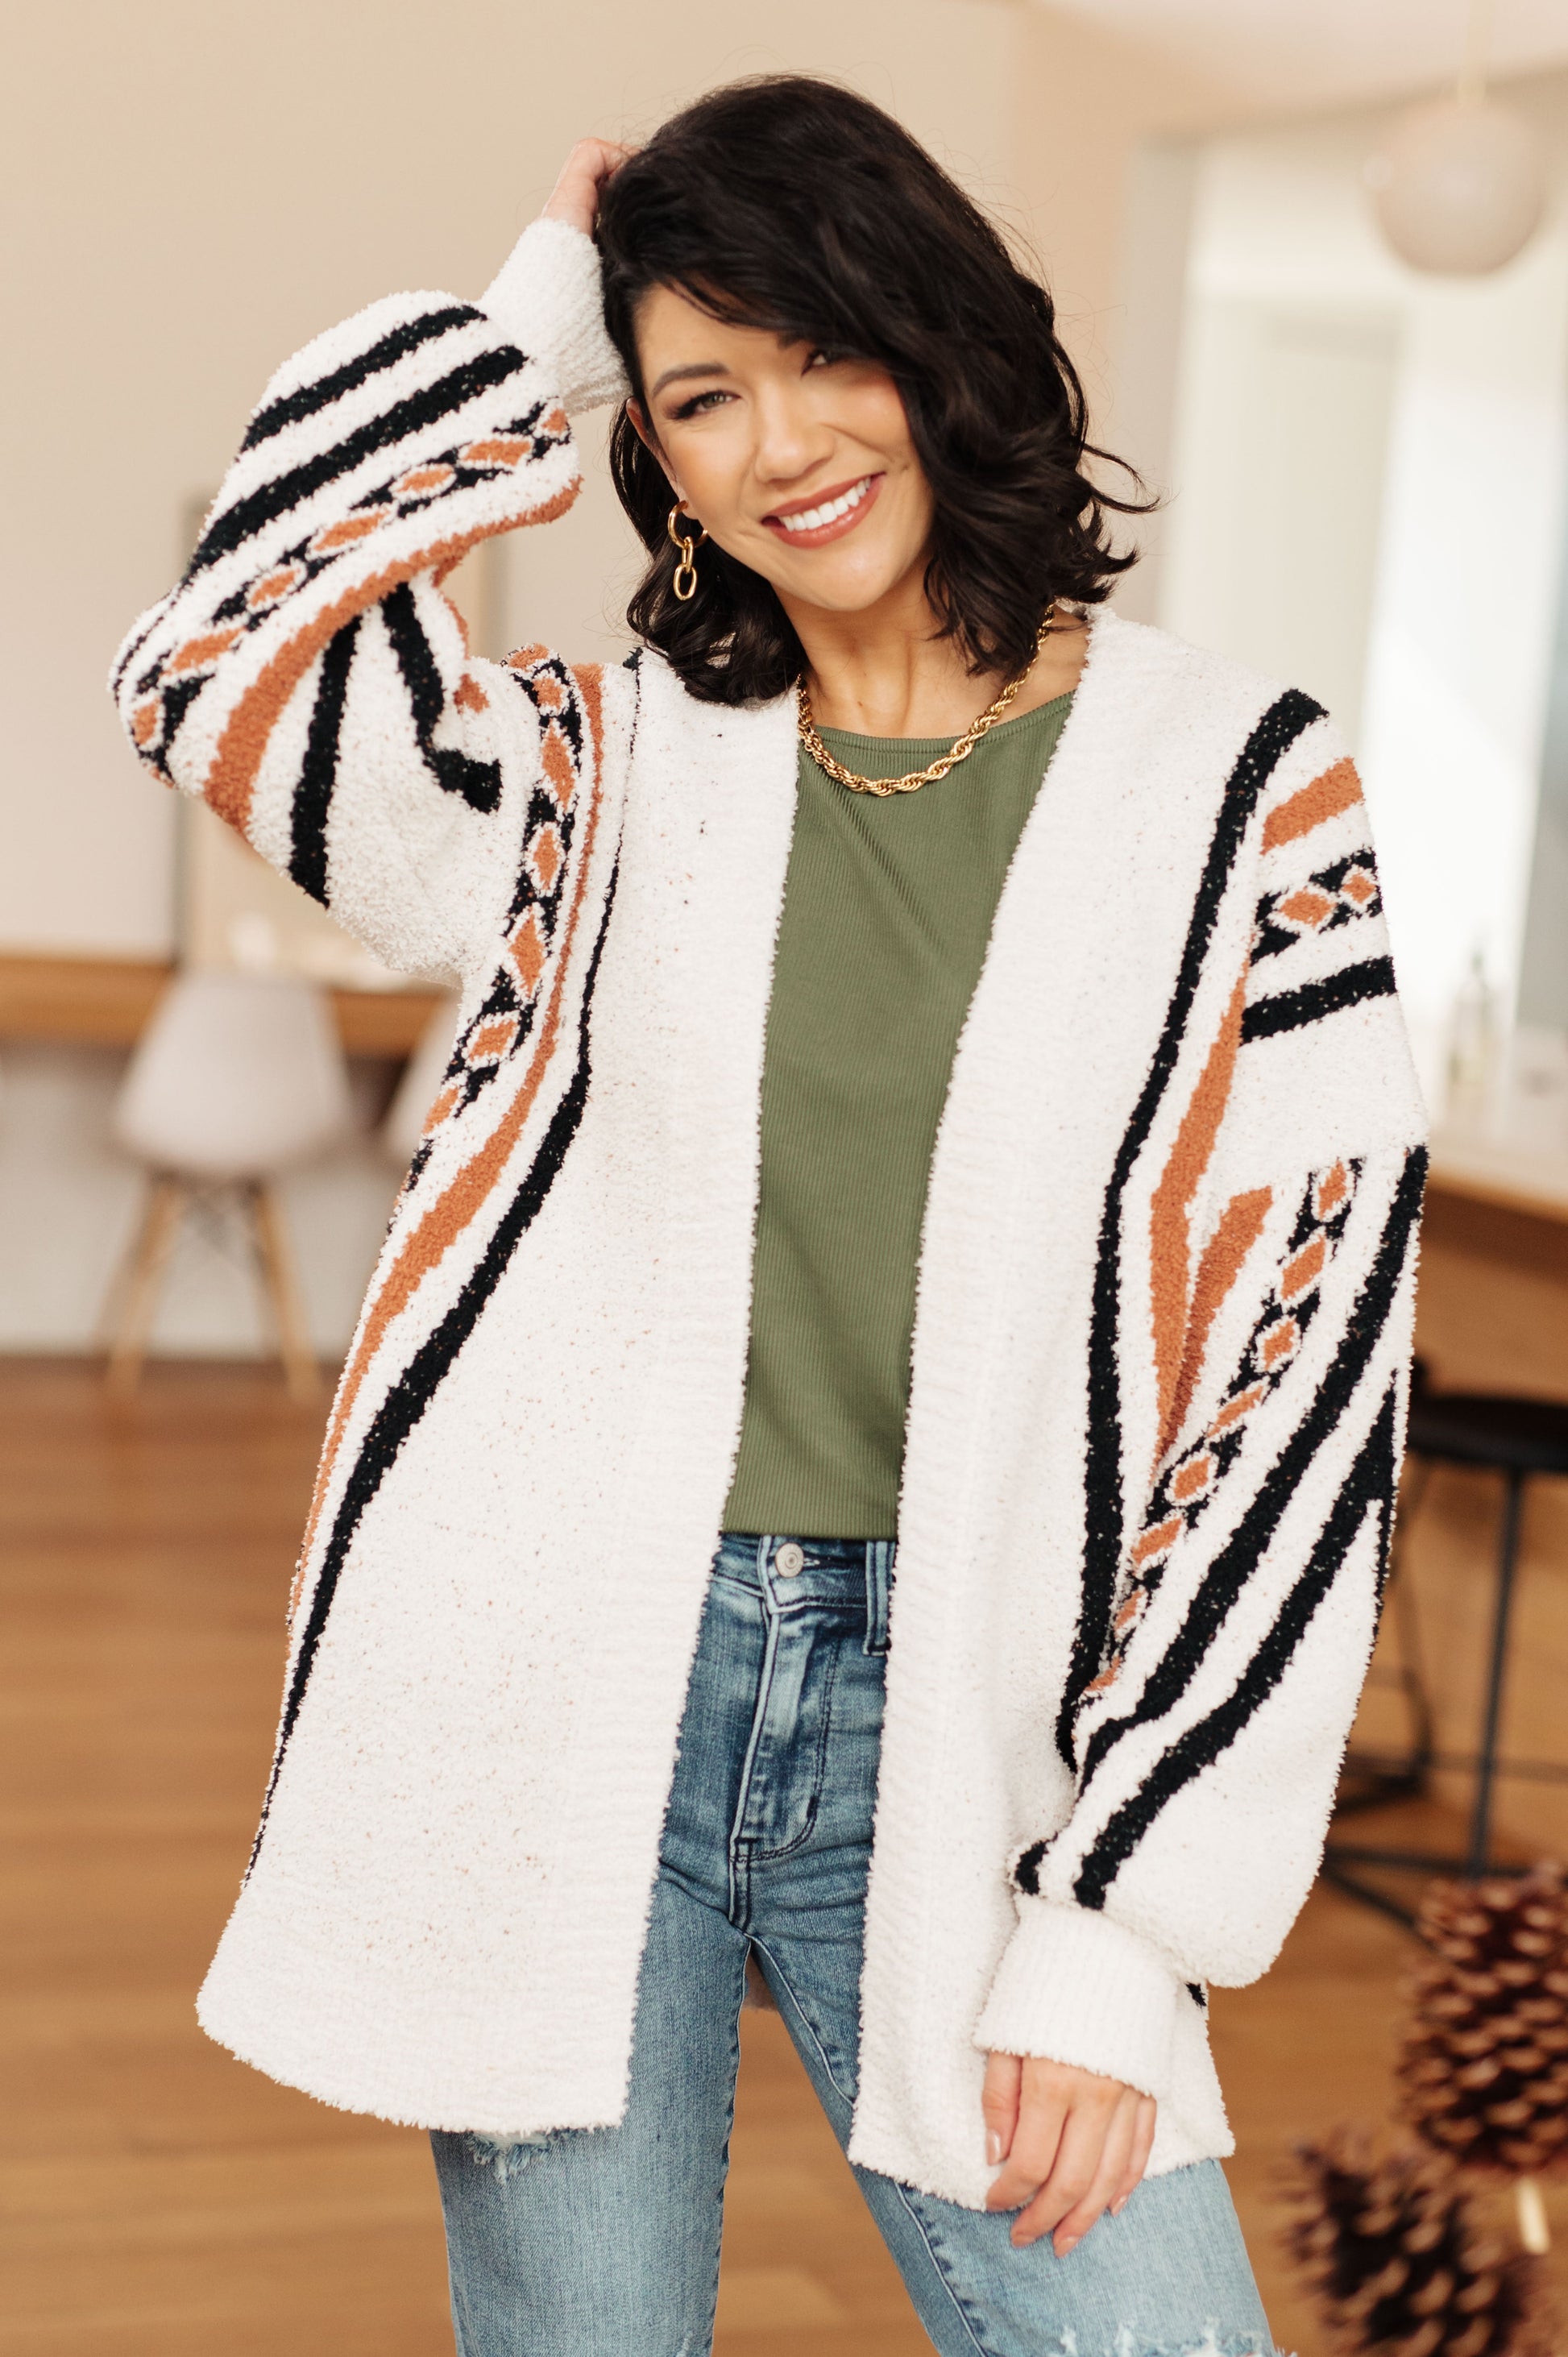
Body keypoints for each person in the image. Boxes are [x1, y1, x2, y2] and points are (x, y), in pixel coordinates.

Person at [112, 75, 1426, 2357]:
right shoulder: (588, 777)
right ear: (649, 443)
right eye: (701, 391)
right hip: (576, 1684)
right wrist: (531, 323)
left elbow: (1301, 1377)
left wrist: (1126, 1923)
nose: (782, 441)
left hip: (983, 1718)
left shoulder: (1240, 791)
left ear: (942, 347)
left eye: (827, 352)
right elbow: (221, 663)